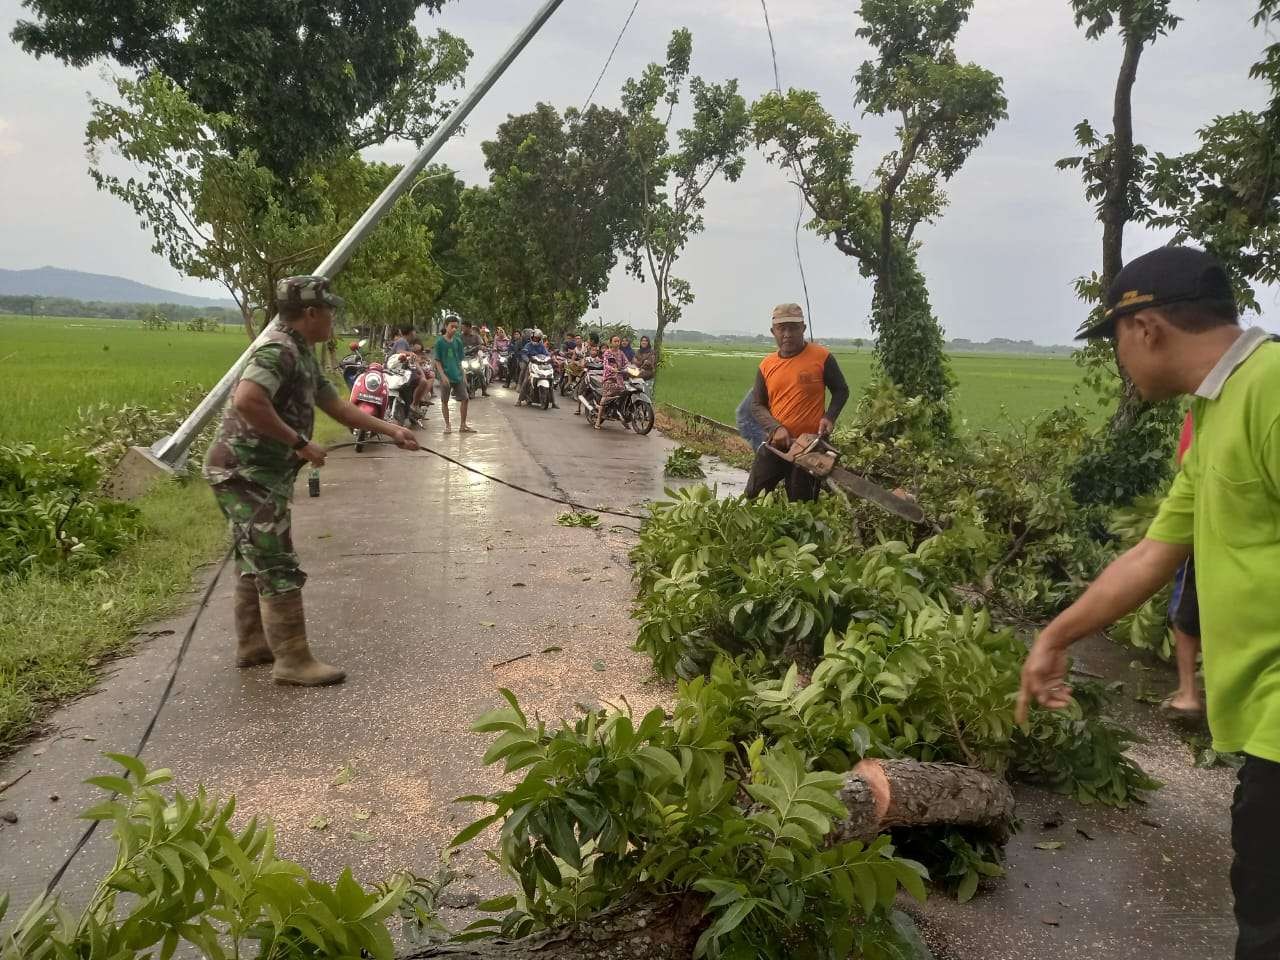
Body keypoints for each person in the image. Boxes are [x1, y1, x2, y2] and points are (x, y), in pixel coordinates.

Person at [1015, 246, 1280, 960]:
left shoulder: (1274, 388)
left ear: (1147, 328)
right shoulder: (1217, 409)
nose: (1119, 360)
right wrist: (1056, 635)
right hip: (1265, 728)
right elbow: (1154, 553)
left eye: (1115, 342)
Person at [204, 276, 419, 686]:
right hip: (243, 471)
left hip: (260, 471)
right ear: (310, 313)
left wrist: (392, 431)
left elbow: (338, 407)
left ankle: (253, 645)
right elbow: (248, 399)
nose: (333, 319)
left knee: (254, 556)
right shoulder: (277, 350)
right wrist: (299, 442)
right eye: (330, 311)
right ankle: (292, 660)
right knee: (276, 560)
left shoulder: (302, 353)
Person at [746, 303, 850, 501]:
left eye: (793, 328)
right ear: (772, 331)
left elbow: (841, 390)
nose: (787, 334)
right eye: (781, 328)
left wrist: (830, 416)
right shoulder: (766, 365)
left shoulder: (822, 357)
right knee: (753, 498)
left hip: (810, 447)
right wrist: (775, 428)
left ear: (803, 328)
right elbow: (757, 405)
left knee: (801, 506)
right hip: (777, 444)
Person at [1164, 409, 1203, 718]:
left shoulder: (1205, 410)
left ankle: (1189, 693)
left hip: (1202, 528)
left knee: (1186, 612)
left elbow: (1186, 464)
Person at [433, 316, 474, 434]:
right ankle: (447, 425)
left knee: (465, 399)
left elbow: (460, 360)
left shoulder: (458, 341)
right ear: (446, 326)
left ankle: (463, 425)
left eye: (456, 327)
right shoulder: (440, 342)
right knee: (444, 401)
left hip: (458, 375)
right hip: (446, 375)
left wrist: (464, 375)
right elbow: (437, 361)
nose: (454, 329)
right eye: (452, 326)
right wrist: (443, 376)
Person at [594, 335, 627, 429]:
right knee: (605, 397)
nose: (617, 343)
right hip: (609, 377)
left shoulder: (621, 353)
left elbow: (626, 362)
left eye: (618, 341)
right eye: (615, 341)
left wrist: (632, 367)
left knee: (624, 393)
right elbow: (606, 364)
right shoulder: (607, 353)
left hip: (619, 378)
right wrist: (613, 369)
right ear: (611, 342)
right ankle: (598, 420)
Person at [460, 319, 489, 397]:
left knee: (479, 372)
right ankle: (456, 389)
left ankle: (484, 390)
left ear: (469, 328)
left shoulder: (476, 336)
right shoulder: (460, 337)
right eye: (462, 328)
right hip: (464, 358)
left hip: (474, 358)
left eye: (464, 328)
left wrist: (482, 347)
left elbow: (482, 345)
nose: (462, 329)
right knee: (457, 372)